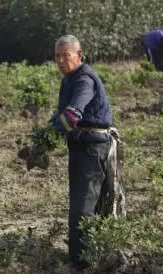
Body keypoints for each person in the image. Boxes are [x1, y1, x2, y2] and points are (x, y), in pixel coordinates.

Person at [48, 35, 123, 270]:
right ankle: (96, 254)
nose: (61, 61)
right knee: (92, 202)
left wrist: (47, 139)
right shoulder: (69, 79)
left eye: (66, 56)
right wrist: (45, 133)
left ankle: (80, 263)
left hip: (92, 148)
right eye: (57, 56)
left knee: (83, 206)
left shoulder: (83, 81)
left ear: (79, 56)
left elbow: (71, 115)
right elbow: (60, 113)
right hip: (82, 146)